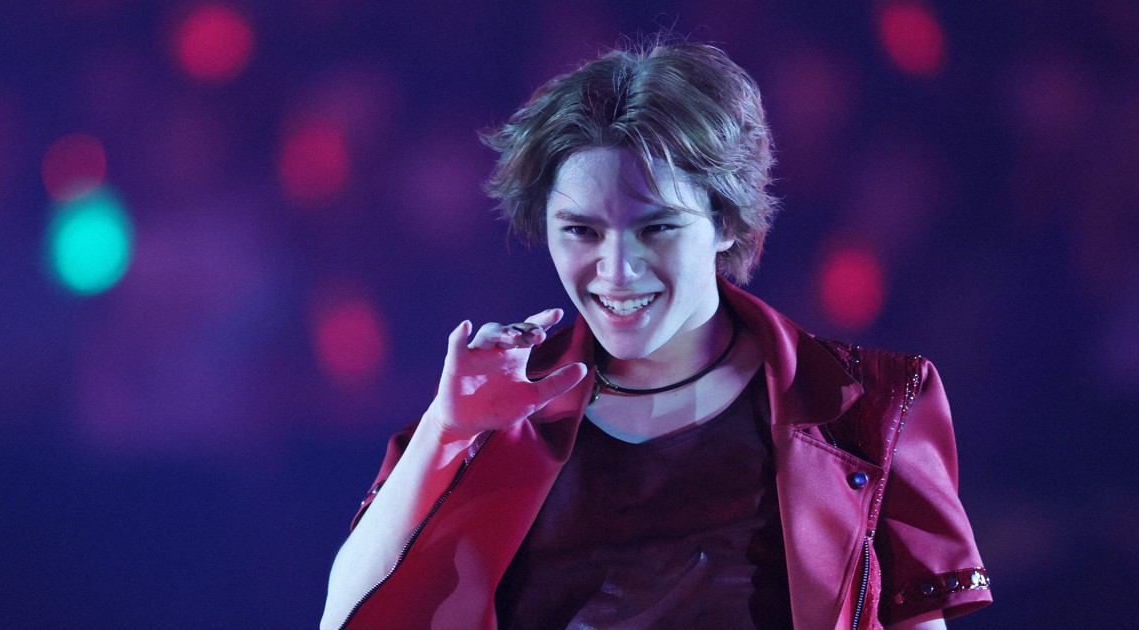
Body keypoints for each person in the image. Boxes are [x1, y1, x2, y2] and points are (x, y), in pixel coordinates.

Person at [319, 40, 992, 630]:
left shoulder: (870, 408)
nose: (617, 269)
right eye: (581, 231)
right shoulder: (496, 412)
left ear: (725, 221)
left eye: (656, 227)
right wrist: (446, 430)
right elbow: (345, 616)